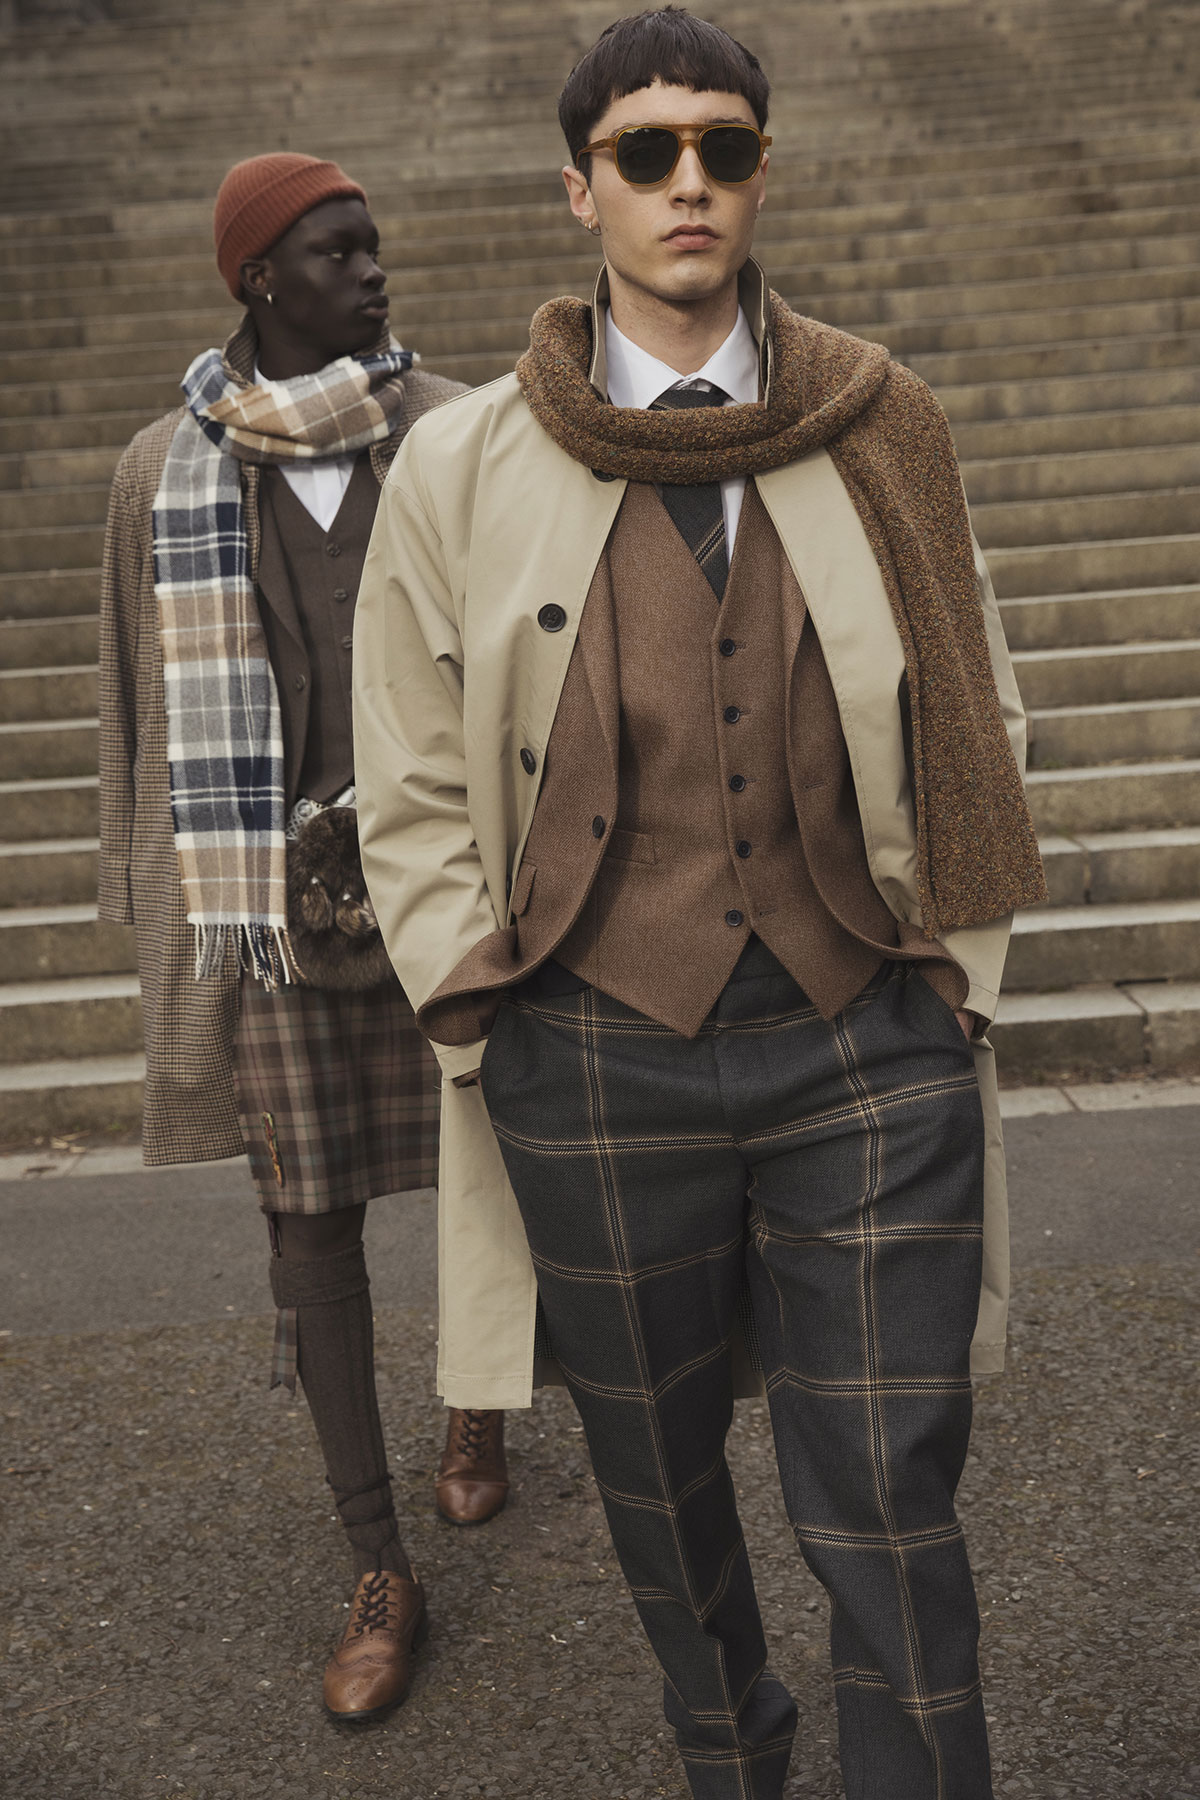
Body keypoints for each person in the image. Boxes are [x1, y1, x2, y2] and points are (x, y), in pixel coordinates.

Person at [354, 9, 1046, 1795]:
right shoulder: (463, 463)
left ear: (761, 175)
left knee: (891, 1489)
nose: (688, 184)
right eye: (647, 152)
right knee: (657, 1489)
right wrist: (470, 1002)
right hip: (588, 1050)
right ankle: (731, 1755)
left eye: (723, 149)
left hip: (866, 1041)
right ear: (575, 188)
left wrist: (954, 979)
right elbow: (415, 765)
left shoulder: (881, 422)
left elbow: (983, 697)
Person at [97, 153, 509, 1727]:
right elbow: (137, 715)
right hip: (268, 911)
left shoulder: (463, 428)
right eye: (338, 251)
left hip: (454, 887)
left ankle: (480, 1407)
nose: (375, 270)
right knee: (307, 1231)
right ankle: (377, 1561)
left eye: (377, 245)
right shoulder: (160, 470)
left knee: (504, 1175)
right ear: (258, 280)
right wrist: (168, 914)